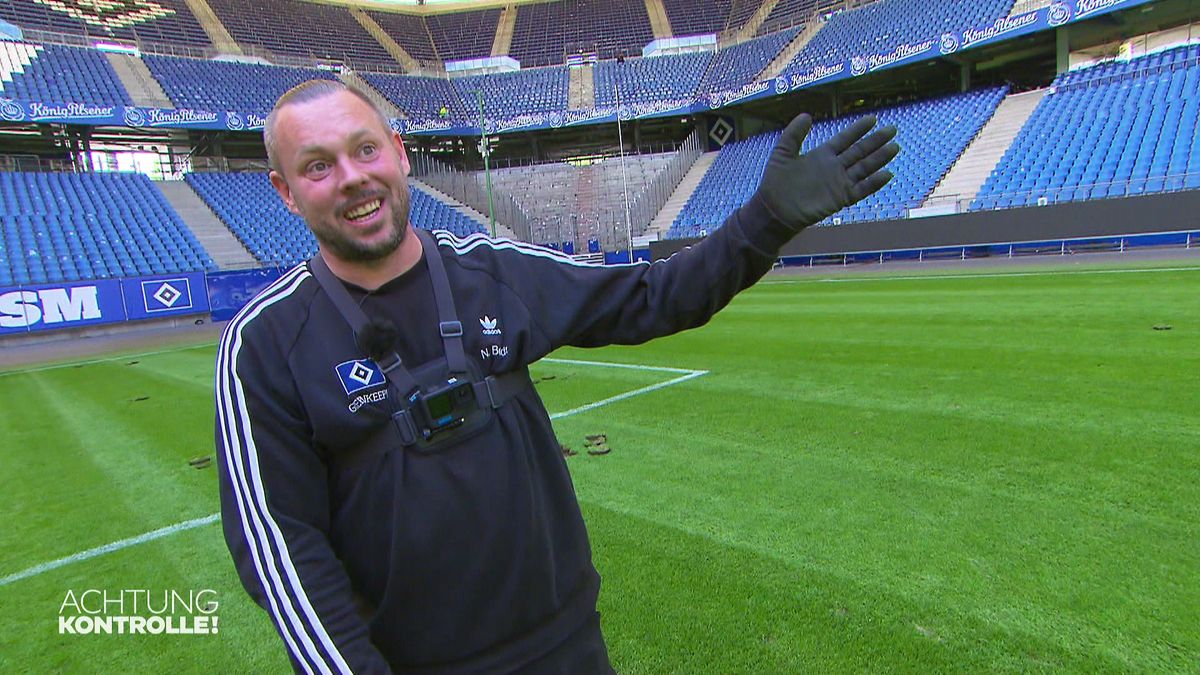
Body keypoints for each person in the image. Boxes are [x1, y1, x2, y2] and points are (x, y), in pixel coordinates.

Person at [215, 80, 898, 674]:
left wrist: (764, 222)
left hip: (567, 647)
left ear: (397, 151)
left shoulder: (495, 271)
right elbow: (280, 552)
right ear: (286, 191)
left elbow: (652, 296)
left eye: (364, 150)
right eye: (318, 166)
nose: (353, 177)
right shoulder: (264, 343)